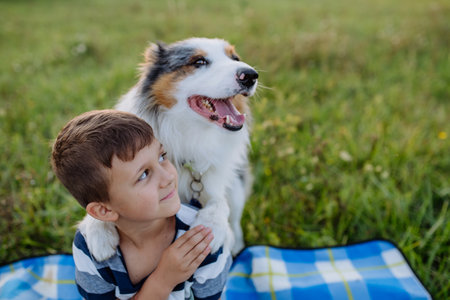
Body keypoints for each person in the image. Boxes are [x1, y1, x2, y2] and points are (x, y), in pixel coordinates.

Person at [51, 109, 232, 299]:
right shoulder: (89, 247)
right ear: (104, 210)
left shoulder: (201, 240)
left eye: (162, 156)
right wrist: (163, 279)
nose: (168, 177)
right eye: (144, 175)